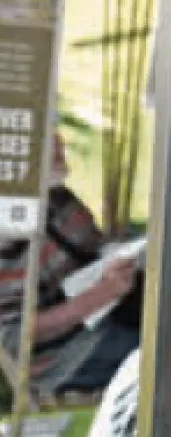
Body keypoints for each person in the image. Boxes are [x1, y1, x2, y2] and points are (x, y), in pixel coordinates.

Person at [0, 133, 141, 398]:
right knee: (166, 349)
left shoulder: (56, 195)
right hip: (69, 354)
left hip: (111, 309)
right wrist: (98, 296)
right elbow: (13, 338)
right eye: (44, 134)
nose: (59, 142)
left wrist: (123, 252)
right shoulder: (6, 233)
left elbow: (95, 249)